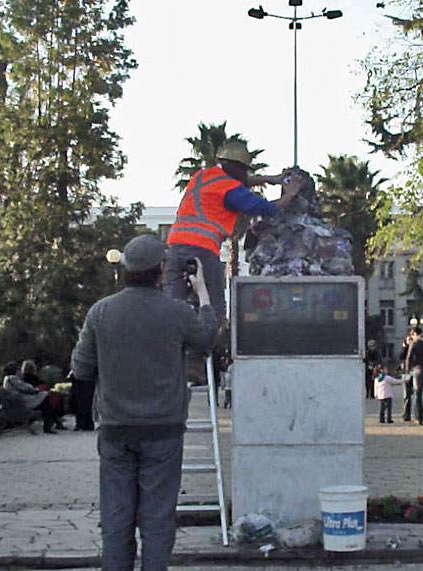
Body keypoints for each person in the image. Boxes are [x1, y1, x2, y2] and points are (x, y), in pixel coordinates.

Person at [71, 234, 218, 571]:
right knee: (157, 517)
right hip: (163, 430)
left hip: (115, 429)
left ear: (124, 270)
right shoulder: (177, 312)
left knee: (116, 516)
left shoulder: (100, 312)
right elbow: (207, 337)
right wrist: (203, 294)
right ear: (161, 269)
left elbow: (80, 369)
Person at [163, 140, 305, 325]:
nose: (245, 174)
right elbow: (266, 208)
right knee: (213, 308)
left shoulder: (202, 176)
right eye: (244, 169)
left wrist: (272, 179)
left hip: (175, 247)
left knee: (172, 305)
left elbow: (242, 181)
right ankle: (203, 350)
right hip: (203, 250)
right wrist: (290, 194)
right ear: (235, 166)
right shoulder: (230, 189)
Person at [1, 361, 57, 434]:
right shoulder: (13, 378)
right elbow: (25, 387)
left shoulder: (7, 379)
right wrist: (36, 390)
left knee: (44, 400)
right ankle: (48, 426)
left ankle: (51, 423)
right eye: (18, 369)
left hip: (16, 401)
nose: (19, 371)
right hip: (21, 401)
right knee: (45, 399)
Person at [405, 327, 423, 425]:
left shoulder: (415, 343)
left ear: (415, 334)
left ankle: (419, 417)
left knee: (418, 394)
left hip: (418, 369)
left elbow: (409, 357)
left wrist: (407, 370)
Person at [398, 333, 414, 421]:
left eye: (411, 339)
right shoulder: (404, 350)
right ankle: (406, 414)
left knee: (415, 393)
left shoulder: (416, 348)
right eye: (408, 340)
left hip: (414, 371)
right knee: (406, 394)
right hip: (406, 372)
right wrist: (404, 347)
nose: (410, 342)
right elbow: (401, 357)